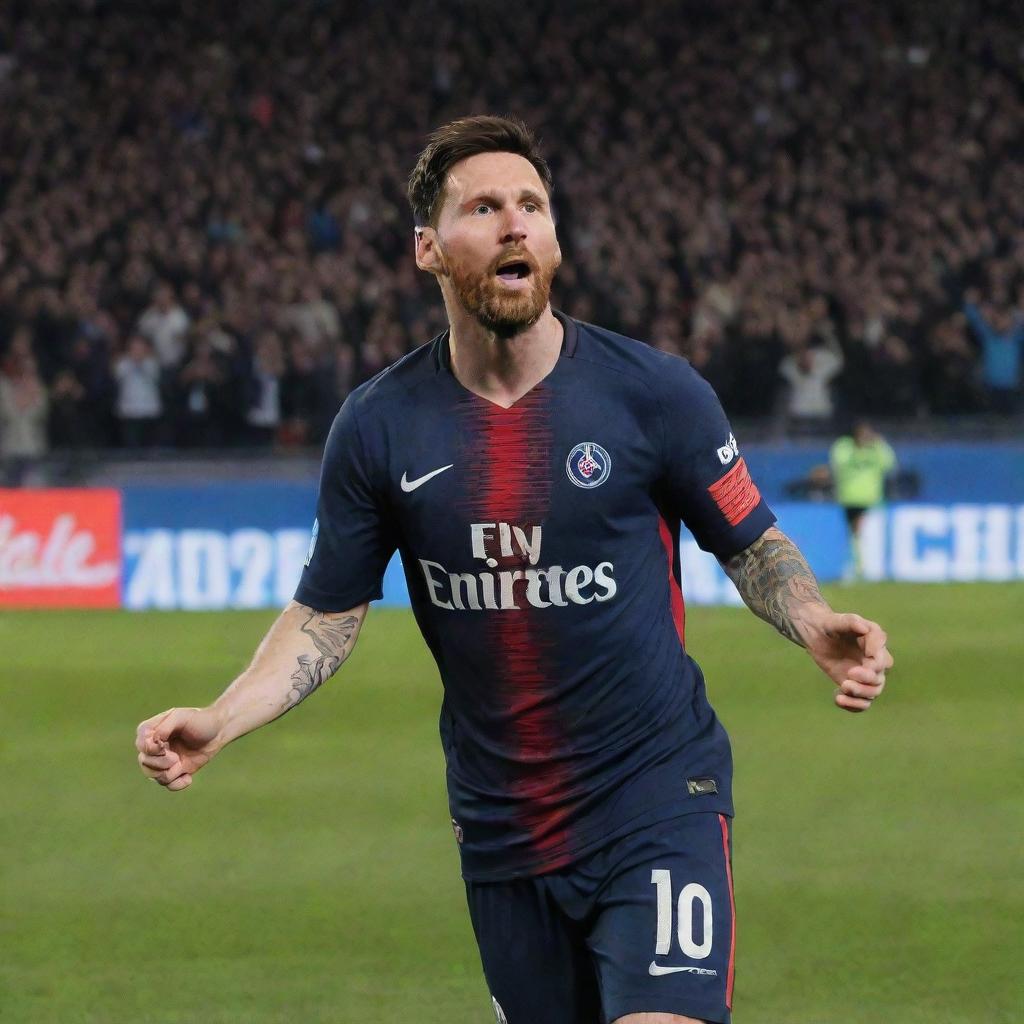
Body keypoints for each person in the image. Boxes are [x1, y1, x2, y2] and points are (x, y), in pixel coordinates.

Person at [136, 116, 893, 1024]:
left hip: (658, 794)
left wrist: (814, 622)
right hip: (502, 827)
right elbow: (327, 612)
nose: (514, 223)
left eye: (532, 204)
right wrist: (222, 718)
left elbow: (750, 539)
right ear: (427, 249)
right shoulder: (379, 427)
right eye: (484, 206)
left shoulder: (654, 393)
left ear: (556, 241)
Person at [829, 421, 897, 582]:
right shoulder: (844, 447)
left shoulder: (876, 449)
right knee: (855, 535)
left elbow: (890, 464)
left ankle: (865, 568)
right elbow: (837, 463)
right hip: (849, 498)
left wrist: (880, 444)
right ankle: (858, 567)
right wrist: (859, 452)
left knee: (865, 534)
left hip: (872, 500)